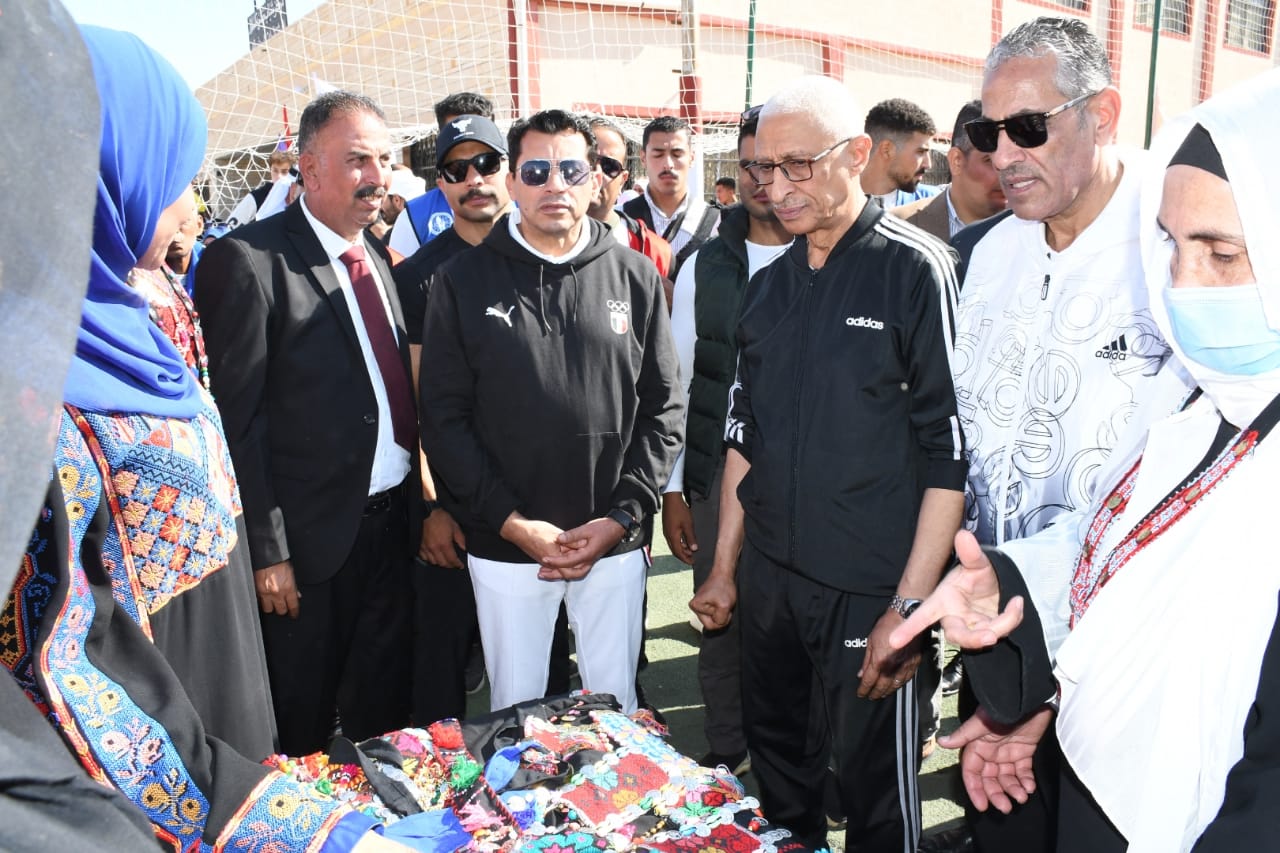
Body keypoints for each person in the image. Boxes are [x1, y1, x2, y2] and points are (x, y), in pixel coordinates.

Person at [4, 25, 412, 852]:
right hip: (158, 761)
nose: (192, 209)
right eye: (176, 181)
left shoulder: (128, 323)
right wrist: (270, 819)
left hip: (229, 687)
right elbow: (62, 669)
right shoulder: (28, 397)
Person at [891, 67, 1280, 853]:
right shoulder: (1203, 400)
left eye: (1222, 253)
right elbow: (1127, 547)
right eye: (1170, 245)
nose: (1183, 286)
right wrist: (1011, 583)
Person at [689, 75, 964, 852]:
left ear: (858, 154)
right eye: (762, 168)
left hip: (870, 592)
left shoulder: (916, 268)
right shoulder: (767, 287)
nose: (776, 187)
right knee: (781, 786)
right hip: (771, 588)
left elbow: (949, 456)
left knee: (879, 806)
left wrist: (908, 609)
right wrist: (724, 570)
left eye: (798, 165)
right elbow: (745, 438)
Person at [945, 19, 1171, 848]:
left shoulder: (1177, 247)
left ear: (1103, 114)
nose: (1003, 155)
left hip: (1131, 657)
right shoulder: (982, 256)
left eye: (1029, 128)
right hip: (999, 637)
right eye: (987, 132)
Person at [419, 109, 683, 716]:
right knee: (517, 719)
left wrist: (621, 516)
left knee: (616, 715)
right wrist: (512, 523)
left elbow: (664, 408)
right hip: (507, 545)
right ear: (513, 182)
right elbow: (443, 418)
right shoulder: (460, 281)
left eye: (571, 170)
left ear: (595, 180)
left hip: (613, 540)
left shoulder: (636, 275)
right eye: (536, 171)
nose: (554, 185)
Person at [197, 90, 414, 757]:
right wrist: (269, 552)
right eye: (358, 160)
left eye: (384, 160)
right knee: (302, 727)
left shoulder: (377, 257)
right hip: (308, 553)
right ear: (309, 168)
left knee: (384, 720)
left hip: (391, 533)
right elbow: (239, 423)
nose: (377, 176)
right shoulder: (248, 261)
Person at [663, 109, 791, 776]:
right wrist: (676, 488)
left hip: (807, 473)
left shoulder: (832, 251)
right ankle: (726, 746)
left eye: (778, 164)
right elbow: (680, 382)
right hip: (718, 472)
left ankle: (797, 752)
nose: (763, 179)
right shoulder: (703, 265)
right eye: (750, 165)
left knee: (796, 620)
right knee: (719, 615)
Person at [393, 112, 513, 725]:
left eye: (486, 163)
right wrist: (434, 506)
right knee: (441, 672)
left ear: (509, 169)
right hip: (456, 507)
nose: (474, 179)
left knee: (538, 674)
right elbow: (418, 406)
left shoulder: (543, 257)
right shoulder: (418, 277)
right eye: (456, 169)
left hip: (530, 503)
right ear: (440, 183)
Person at [388, 91, 496, 257]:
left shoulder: (525, 207)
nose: (474, 178)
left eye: (485, 160)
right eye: (456, 134)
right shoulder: (414, 217)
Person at [892, 100, 1007, 241]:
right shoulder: (900, 227)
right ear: (956, 160)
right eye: (991, 160)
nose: (1007, 173)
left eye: (1013, 161)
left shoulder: (1029, 231)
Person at [623, 115, 720, 277]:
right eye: (658, 154)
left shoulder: (717, 223)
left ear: (692, 158)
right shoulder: (622, 218)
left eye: (677, 154)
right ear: (643, 158)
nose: (668, 164)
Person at [586, 115, 674, 280]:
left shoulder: (654, 251)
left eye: (608, 166)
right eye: (589, 162)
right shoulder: (538, 240)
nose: (597, 173)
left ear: (623, 179)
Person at [860, 98, 942, 208]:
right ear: (887, 150)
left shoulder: (932, 204)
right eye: (921, 152)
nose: (928, 164)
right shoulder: (839, 201)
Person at [225, 147, 297, 230]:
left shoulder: (301, 196)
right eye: (275, 171)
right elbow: (229, 228)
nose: (279, 176)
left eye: (284, 172)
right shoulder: (256, 197)